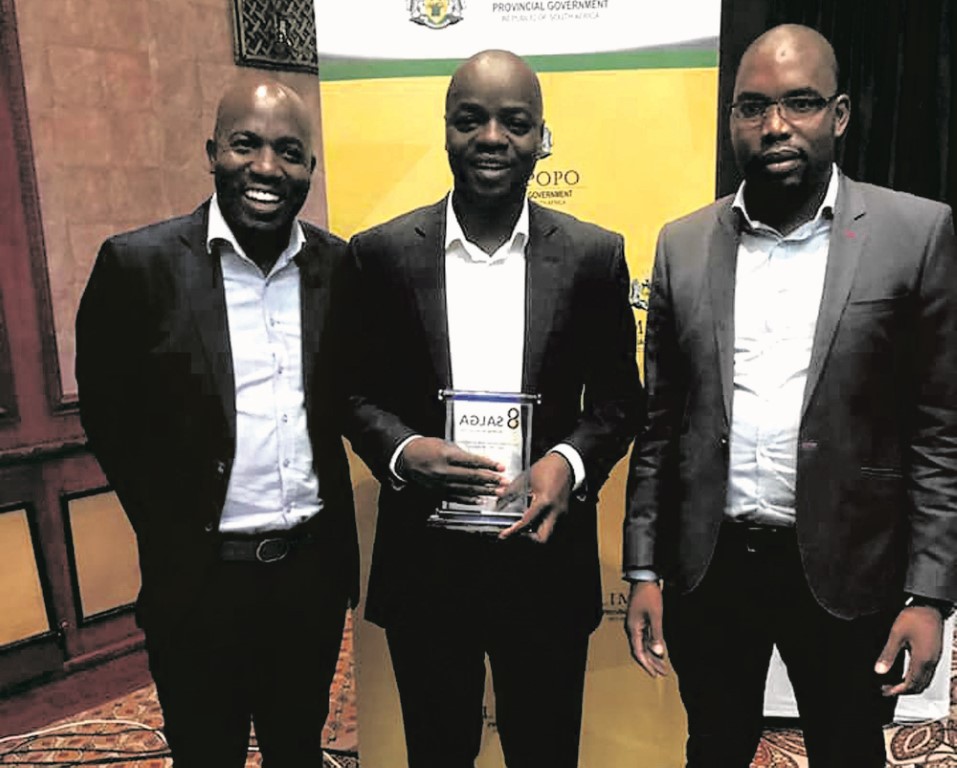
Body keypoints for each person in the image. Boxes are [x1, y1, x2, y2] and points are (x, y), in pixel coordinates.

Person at [623, 23, 957, 767]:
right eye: (753, 106)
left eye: (799, 103)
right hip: (712, 568)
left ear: (839, 115)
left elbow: (939, 429)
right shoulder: (682, 245)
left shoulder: (914, 233)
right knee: (713, 747)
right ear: (732, 120)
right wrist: (642, 570)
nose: (775, 125)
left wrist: (930, 595)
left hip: (850, 566)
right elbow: (660, 426)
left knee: (847, 750)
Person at [345, 50, 642, 768]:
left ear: (541, 137)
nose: (491, 138)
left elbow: (618, 400)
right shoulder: (381, 254)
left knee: (545, 754)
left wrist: (567, 462)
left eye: (514, 122)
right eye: (470, 119)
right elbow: (352, 392)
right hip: (426, 564)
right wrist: (402, 451)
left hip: (543, 560)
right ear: (446, 129)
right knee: (437, 753)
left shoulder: (593, 256)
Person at [75, 78, 358, 768]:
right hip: (200, 586)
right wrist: (171, 527)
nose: (266, 167)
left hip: (308, 582)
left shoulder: (339, 266)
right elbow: (108, 415)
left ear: (309, 168)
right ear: (212, 152)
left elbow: (354, 396)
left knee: (297, 751)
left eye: (288, 151)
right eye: (245, 144)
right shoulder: (137, 266)